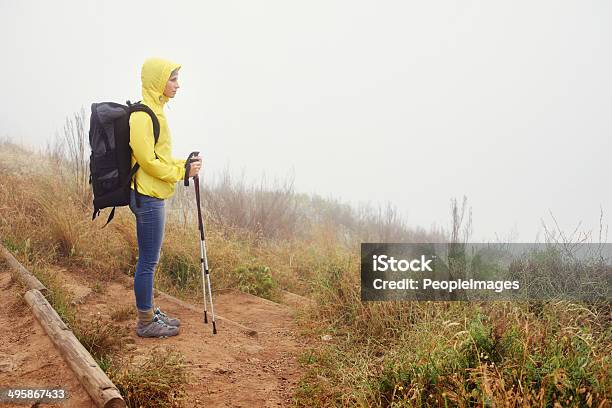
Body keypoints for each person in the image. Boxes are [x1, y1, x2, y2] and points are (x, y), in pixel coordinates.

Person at [128, 57, 202, 338]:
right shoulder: (142, 116)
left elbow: (161, 157)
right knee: (148, 261)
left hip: (153, 194)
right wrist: (180, 173)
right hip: (146, 196)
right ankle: (145, 322)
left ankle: (148, 311)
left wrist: (184, 164)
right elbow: (148, 162)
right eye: (172, 79)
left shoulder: (156, 111)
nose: (177, 85)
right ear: (158, 81)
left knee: (151, 258)